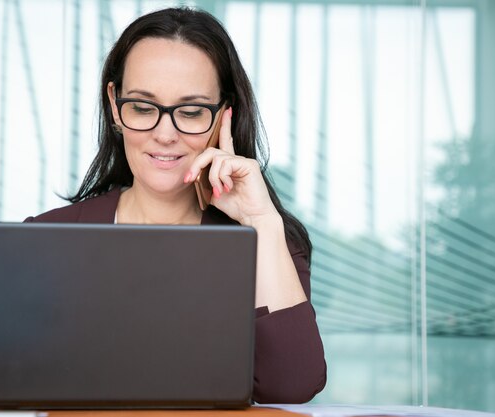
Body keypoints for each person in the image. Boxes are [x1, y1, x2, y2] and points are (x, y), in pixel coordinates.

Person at [25, 7, 326, 403]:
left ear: (224, 116)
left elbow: (294, 385)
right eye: (143, 107)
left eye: (191, 111)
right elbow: (7, 392)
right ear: (115, 105)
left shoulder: (269, 243)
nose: (165, 134)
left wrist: (260, 221)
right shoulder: (43, 241)